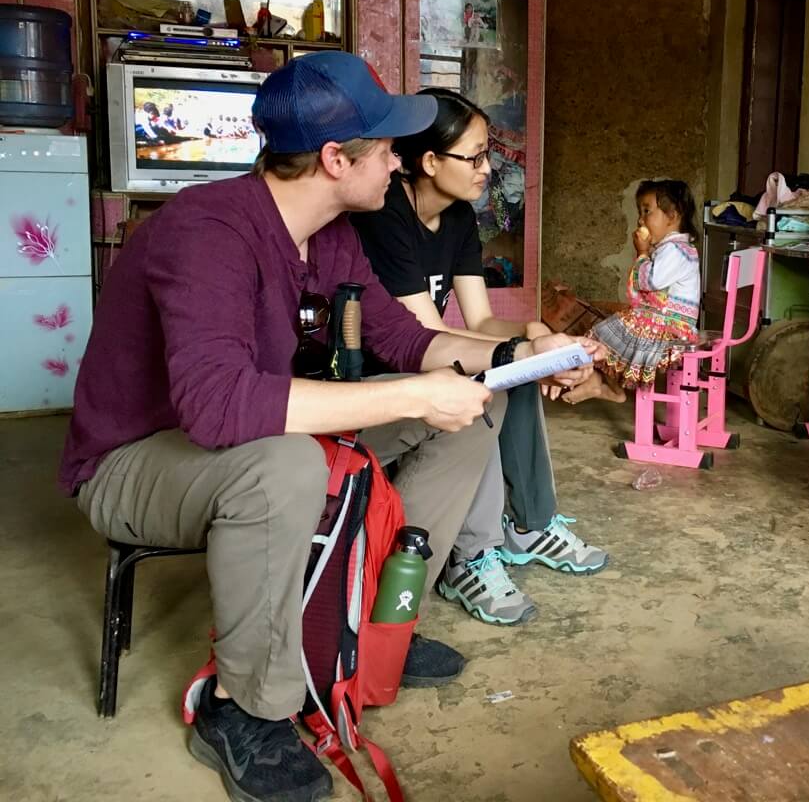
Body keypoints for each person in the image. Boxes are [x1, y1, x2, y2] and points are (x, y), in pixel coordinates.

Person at [60, 52, 593, 802]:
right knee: (286, 467)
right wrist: (411, 394)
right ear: (337, 159)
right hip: (133, 463)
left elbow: (405, 339)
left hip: (238, 435)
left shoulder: (335, 230)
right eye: (386, 149)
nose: (400, 162)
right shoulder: (205, 231)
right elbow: (219, 408)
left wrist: (523, 354)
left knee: (463, 427)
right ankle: (244, 706)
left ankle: (370, 631)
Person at [352, 88, 609, 627]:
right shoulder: (385, 215)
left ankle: (529, 524)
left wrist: (536, 334)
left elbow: (481, 322)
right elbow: (420, 334)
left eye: (487, 154)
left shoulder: (461, 217)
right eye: (473, 157)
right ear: (428, 162)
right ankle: (472, 554)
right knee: (493, 376)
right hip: (382, 371)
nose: (487, 169)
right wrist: (522, 349)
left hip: (428, 353)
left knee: (517, 364)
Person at [565, 179, 701, 404]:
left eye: (647, 211)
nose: (640, 219)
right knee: (611, 331)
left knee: (608, 334)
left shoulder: (677, 250)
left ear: (673, 214)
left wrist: (641, 252)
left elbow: (651, 281)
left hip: (672, 328)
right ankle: (605, 386)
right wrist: (646, 254)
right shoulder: (669, 248)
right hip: (659, 320)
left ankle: (602, 385)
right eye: (640, 212)